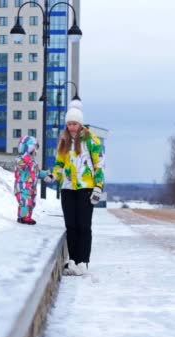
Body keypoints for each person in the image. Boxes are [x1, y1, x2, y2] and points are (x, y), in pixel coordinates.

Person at [53, 106, 105, 275]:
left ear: (80, 124)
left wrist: (98, 186)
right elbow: (59, 163)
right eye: (69, 124)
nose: (72, 127)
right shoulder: (64, 140)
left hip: (86, 188)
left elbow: (99, 165)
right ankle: (73, 261)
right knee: (71, 226)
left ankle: (83, 261)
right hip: (68, 188)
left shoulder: (92, 140)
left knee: (84, 225)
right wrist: (54, 176)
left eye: (74, 123)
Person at [14, 136, 54, 225]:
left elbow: (37, 172)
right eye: (34, 148)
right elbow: (21, 165)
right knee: (25, 202)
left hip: (31, 188)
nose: (35, 152)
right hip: (22, 187)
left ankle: (27, 217)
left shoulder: (33, 162)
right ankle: (23, 217)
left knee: (31, 203)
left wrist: (46, 174)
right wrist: (27, 156)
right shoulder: (20, 159)